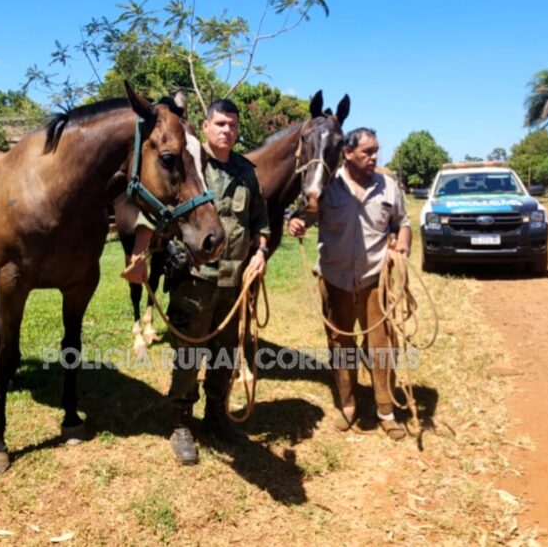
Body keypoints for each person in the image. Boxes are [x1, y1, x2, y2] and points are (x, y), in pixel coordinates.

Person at [125, 99, 270, 464]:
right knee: (189, 354)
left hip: (233, 282)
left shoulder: (246, 173)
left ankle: (217, 415)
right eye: (220, 124)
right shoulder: (187, 160)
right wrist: (141, 254)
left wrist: (261, 253)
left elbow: (260, 224)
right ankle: (181, 421)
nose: (227, 131)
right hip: (194, 278)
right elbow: (153, 210)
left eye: (233, 125)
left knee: (225, 353)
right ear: (205, 127)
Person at [288, 127, 412, 440]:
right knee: (341, 343)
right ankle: (348, 403)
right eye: (367, 152)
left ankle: (386, 409)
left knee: (380, 345)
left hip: (374, 278)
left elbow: (402, 222)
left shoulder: (388, 186)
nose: (373, 157)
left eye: (375, 151)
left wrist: (403, 246)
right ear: (348, 153)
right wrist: (298, 222)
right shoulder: (328, 186)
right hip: (335, 278)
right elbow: (307, 215)